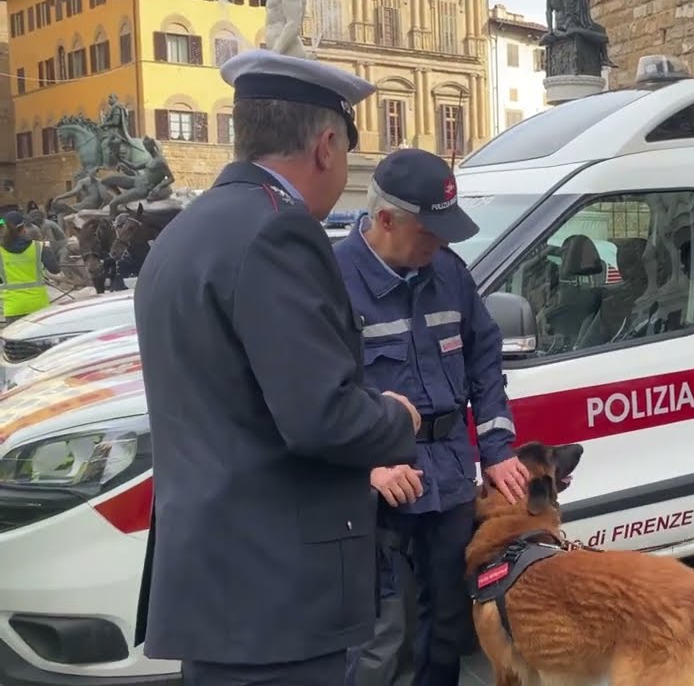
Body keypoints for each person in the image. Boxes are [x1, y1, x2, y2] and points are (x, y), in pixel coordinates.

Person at [131, 48, 425, 685]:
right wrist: (397, 418)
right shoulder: (278, 234)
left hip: (219, 591)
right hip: (277, 597)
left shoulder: (188, 230)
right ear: (325, 145)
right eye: (345, 151)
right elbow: (322, 416)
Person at [335, 148, 529, 686]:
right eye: (429, 232)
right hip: (379, 489)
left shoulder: (447, 272)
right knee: (379, 635)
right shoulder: (331, 282)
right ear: (385, 221)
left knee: (447, 620)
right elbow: (315, 398)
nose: (440, 244)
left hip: (447, 478)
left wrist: (497, 449)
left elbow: (485, 354)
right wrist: (364, 471)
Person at [1, 210, 61, 321]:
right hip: (38, 305)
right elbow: (55, 269)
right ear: (24, 228)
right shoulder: (39, 247)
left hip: (13, 307)